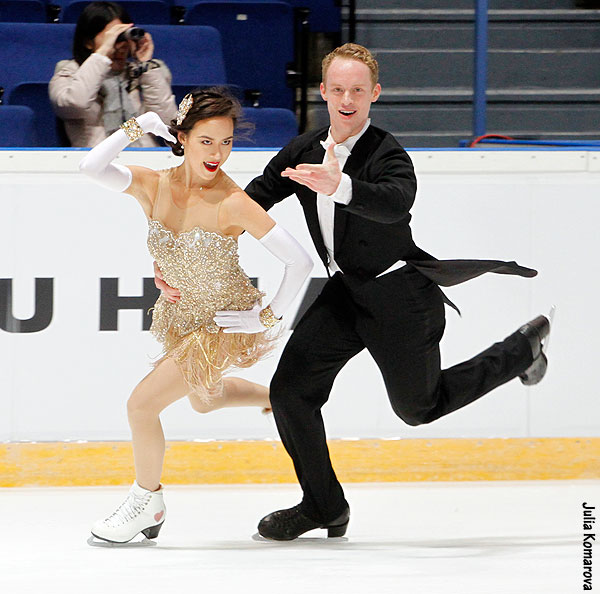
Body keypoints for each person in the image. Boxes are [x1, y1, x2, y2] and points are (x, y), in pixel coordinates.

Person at [156, 43, 551, 541]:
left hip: (400, 296)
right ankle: (323, 505)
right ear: (322, 91)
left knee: (417, 409)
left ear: (375, 94)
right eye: (337, 89)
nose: (347, 99)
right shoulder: (302, 150)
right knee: (291, 392)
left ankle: (519, 350)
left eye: (358, 90)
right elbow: (249, 203)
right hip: (344, 295)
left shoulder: (388, 154)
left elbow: (395, 204)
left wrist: (339, 187)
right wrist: (183, 252)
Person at [78, 88, 313, 544]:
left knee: (141, 405)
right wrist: (139, 126)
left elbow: (299, 262)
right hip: (180, 314)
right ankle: (277, 397)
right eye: (207, 141)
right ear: (181, 138)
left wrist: (267, 317)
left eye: (226, 142)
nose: (218, 153)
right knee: (204, 400)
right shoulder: (154, 184)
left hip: (220, 324)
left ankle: (147, 502)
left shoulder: (233, 200)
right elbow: (90, 167)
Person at [49, 1, 177, 147]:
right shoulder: (70, 72)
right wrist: (101, 55)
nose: (120, 46)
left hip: (143, 158)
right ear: (88, 42)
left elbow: (169, 124)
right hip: (95, 160)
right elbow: (75, 105)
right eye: (113, 38)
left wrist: (147, 67)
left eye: (123, 38)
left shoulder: (142, 72)